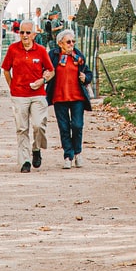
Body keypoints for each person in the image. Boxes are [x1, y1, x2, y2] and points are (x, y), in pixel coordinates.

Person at [1, 20, 53, 172]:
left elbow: (51, 71)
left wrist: (42, 80)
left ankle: (36, 149)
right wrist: (12, 87)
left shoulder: (41, 50)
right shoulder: (13, 49)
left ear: (34, 34)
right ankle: (25, 161)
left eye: (27, 32)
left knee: (38, 125)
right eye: (21, 32)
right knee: (22, 128)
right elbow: (5, 70)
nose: (24, 35)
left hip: (37, 94)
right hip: (19, 95)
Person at [45, 27, 92, 168]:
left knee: (77, 126)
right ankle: (68, 155)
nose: (71, 44)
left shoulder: (78, 56)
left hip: (77, 97)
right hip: (59, 97)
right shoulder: (53, 55)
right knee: (64, 127)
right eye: (68, 42)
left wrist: (86, 78)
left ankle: (78, 153)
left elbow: (88, 73)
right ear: (60, 43)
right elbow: (45, 70)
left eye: (73, 42)